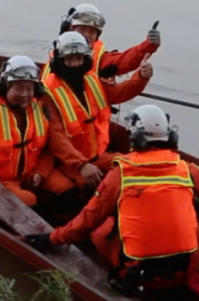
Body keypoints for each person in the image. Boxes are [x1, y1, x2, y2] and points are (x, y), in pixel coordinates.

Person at [24, 104, 199, 295]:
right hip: (188, 269)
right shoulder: (185, 169)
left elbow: (88, 220)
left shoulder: (121, 173)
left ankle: (108, 275)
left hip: (140, 277)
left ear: (135, 138)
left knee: (98, 230)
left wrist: (53, 238)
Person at [0, 55, 83, 207]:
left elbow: (47, 151)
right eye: (18, 88)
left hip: (32, 175)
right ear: (5, 87)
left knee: (67, 190)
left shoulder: (40, 109)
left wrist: (40, 173)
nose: (24, 94)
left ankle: (63, 228)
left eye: (29, 88)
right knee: (29, 200)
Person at [42, 31, 153, 188]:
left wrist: (140, 77)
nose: (75, 64)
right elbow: (56, 137)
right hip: (65, 163)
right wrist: (81, 165)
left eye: (79, 58)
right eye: (69, 59)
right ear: (59, 61)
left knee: (131, 167)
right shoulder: (48, 92)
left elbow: (120, 92)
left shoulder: (92, 80)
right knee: (65, 191)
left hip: (98, 156)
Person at [42, 3, 160, 83]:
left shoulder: (100, 60)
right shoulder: (58, 52)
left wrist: (147, 46)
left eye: (92, 32)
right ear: (69, 29)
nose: (86, 35)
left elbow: (125, 60)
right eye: (82, 30)